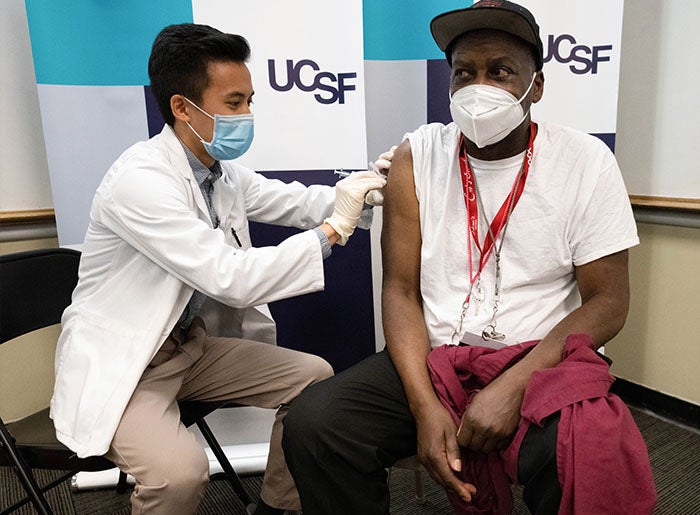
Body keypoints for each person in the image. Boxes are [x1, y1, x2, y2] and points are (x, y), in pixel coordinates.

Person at [283, 1, 655, 514]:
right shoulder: (418, 156)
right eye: (464, 73)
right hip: (434, 356)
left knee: (582, 451)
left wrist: (512, 386)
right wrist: (424, 406)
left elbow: (608, 302)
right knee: (317, 424)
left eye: (500, 71)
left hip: (537, 357)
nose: (479, 86)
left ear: (536, 86)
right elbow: (400, 290)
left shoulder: (585, 161)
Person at [49, 23, 388, 515]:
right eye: (233, 103)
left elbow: (295, 201)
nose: (247, 115)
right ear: (182, 107)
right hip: (131, 364)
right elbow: (228, 276)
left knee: (314, 381)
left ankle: (277, 506)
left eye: (250, 101)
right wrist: (335, 230)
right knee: (179, 476)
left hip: (190, 350)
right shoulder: (140, 182)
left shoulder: (218, 173)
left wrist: (372, 190)